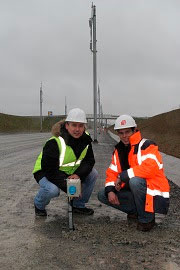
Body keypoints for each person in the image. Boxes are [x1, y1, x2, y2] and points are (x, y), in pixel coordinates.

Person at [98, 114, 170, 231]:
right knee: (103, 194)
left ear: (134, 130)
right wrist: (110, 191)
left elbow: (150, 168)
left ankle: (147, 219)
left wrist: (123, 176)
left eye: (127, 132)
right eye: (121, 133)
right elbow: (112, 173)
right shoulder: (118, 150)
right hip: (134, 193)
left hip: (151, 193)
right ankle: (136, 211)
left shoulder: (147, 145)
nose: (124, 136)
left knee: (135, 181)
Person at [33, 108, 98, 216]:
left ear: (84, 127)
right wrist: (70, 187)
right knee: (53, 190)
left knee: (93, 174)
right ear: (67, 125)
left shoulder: (86, 140)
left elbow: (89, 161)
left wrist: (78, 175)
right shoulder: (55, 142)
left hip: (70, 172)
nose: (77, 129)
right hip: (45, 172)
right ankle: (39, 204)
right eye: (74, 125)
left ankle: (78, 205)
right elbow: (50, 170)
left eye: (80, 125)